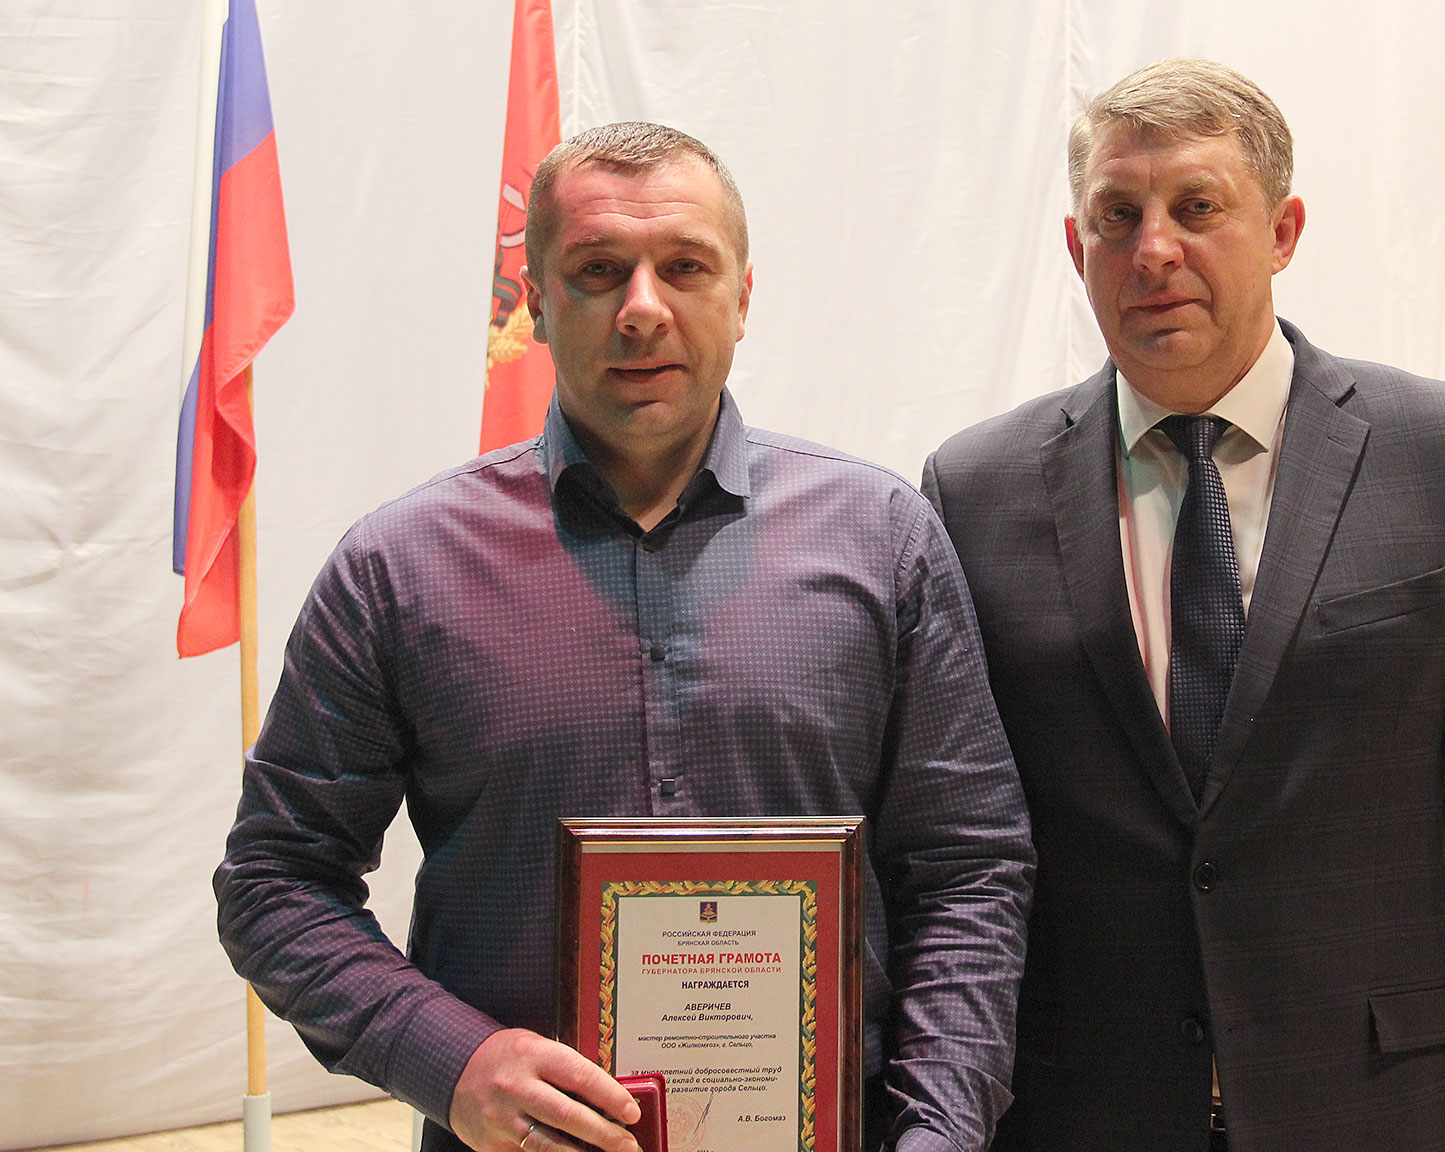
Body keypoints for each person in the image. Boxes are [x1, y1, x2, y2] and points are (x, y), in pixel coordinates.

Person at [214, 122, 1034, 1152]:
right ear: (537, 301)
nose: (643, 308)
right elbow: (275, 882)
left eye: (685, 266)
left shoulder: (883, 542)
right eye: (600, 270)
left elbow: (968, 869)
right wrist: (452, 1060)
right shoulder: (401, 569)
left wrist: (939, 1134)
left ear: (742, 296)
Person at [922, 59, 1445, 1151]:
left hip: (1379, 1110)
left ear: (1283, 231)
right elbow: (952, 856)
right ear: (1077, 248)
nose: (1153, 249)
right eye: (1118, 216)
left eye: (1198, 207)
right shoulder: (975, 491)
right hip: (1084, 1116)